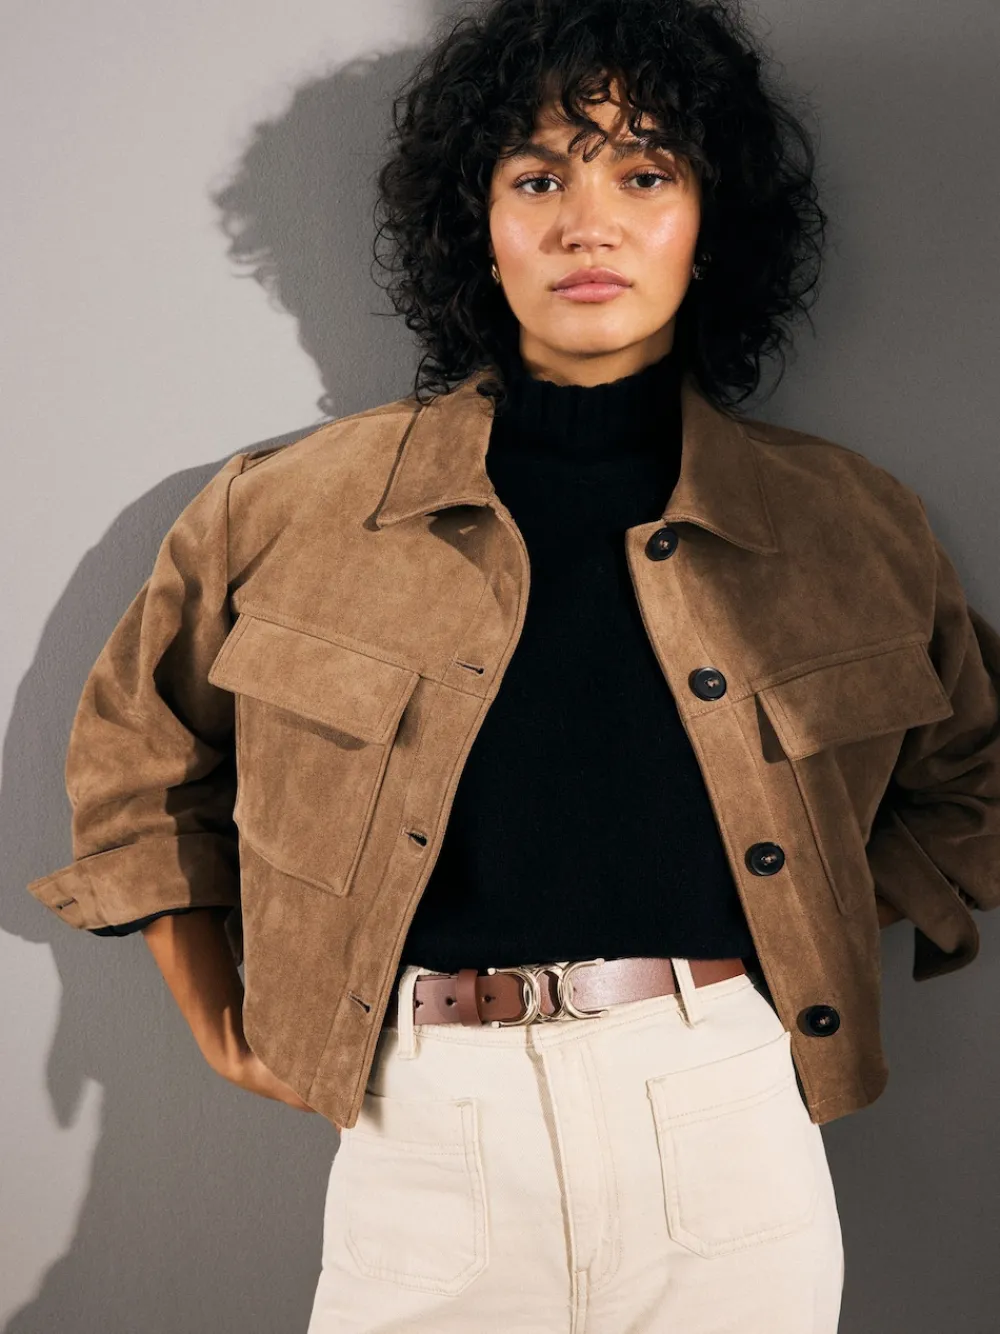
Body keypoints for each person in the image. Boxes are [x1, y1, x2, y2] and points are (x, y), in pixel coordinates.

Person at [27, 1, 1000, 1330]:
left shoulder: (850, 523)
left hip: (726, 1111)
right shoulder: (285, 511)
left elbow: (973, 782)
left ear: (711, 221)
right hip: (422, 1113)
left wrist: (805, 917)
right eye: (539, 179)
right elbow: (138, 768)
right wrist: (219, 1018)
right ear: (474, 226)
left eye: (644, 175)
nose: (589, 226)